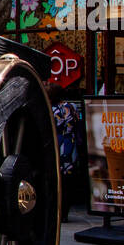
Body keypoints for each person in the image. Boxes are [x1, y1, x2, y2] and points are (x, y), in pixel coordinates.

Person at [47, 81, 85, 222]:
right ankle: (64, 212)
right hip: (70, 144)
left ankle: (54, 211)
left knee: (53, 180)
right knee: (68, 182)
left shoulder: (50, 108)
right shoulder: (71, 107)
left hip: (56, 144)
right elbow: (77, 123)